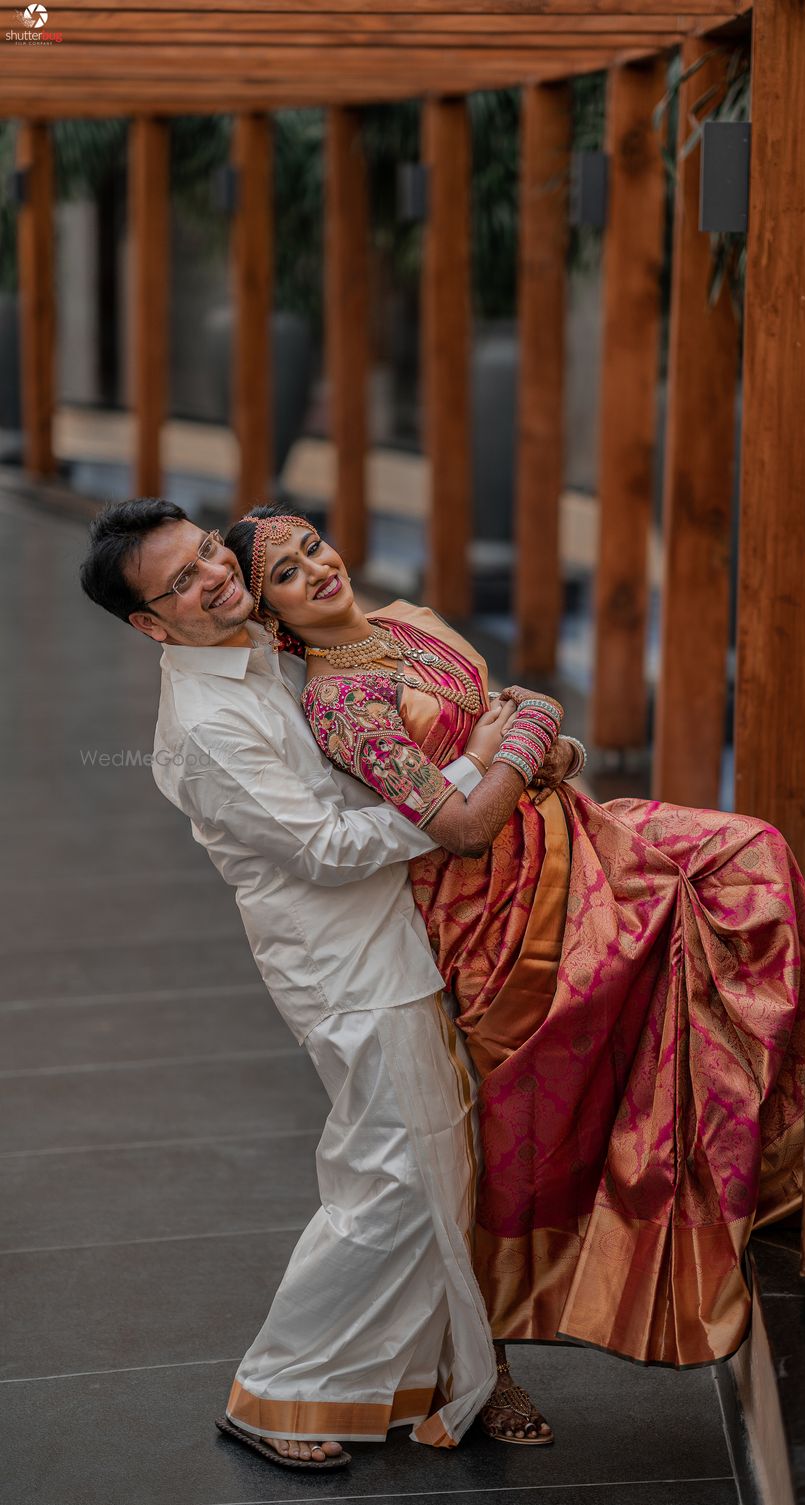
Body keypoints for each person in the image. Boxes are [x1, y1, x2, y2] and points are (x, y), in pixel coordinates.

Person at [227, 505, 805, 1375]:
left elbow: (512, 717)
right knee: (524, 1132)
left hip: (569, 827)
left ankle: (758, 1165)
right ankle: (485, 1354)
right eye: (286, 575)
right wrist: (533, 731)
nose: (316, 569)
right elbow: (458, 825)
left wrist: (545, 740)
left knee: (750, 856)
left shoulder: (404, 619)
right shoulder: (341, 701)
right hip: (494, 904)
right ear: (272, 618)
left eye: (312, 547)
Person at [78, 498, 553, 1473]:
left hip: (396, 939)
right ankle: (276, 1387)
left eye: (208, 552)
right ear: (150, 625)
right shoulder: (206, 725)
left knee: (427, 1170)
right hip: (348, 964)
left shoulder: (259, 637)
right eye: (181, 582)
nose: (214, 575)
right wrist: (471, 770)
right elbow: (327, 845)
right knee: (389, 1173)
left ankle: (410, 1377)